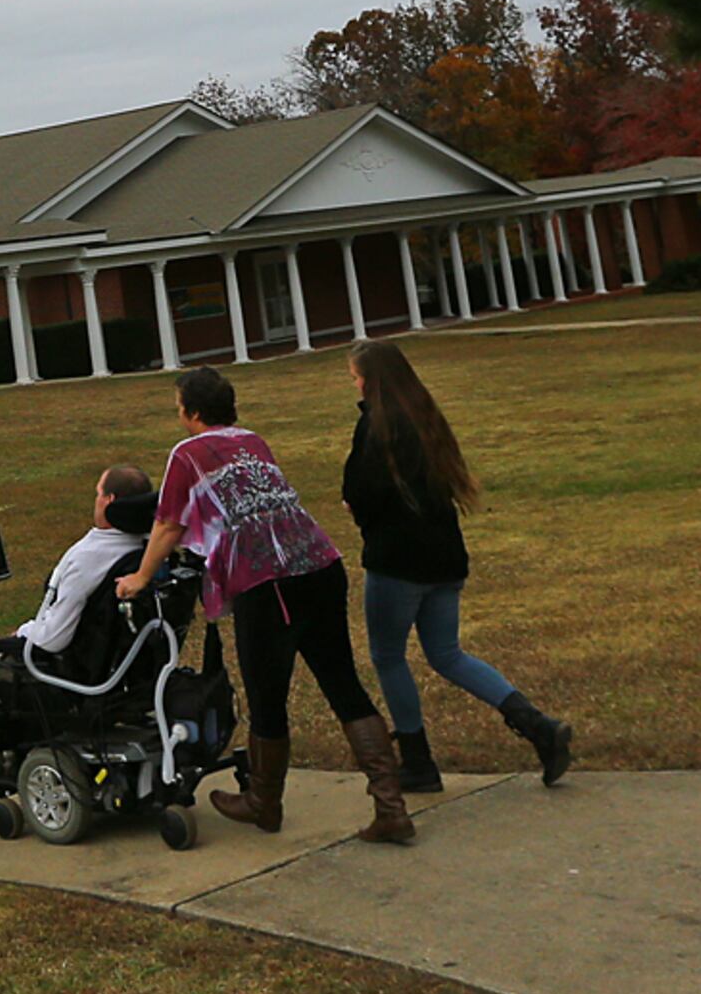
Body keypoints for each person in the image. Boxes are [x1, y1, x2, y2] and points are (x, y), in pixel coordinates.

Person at [114, 365, 417, 846]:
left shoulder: (188, 453)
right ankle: (391, 806)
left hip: (268, 580)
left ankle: (264, 801)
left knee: (266, 695)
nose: (178, 415)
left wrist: (140, 577)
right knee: (343, 684)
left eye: (179, 406)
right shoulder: (253, 441)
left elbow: (169, 523)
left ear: (192, 411)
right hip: (319, 564)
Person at [337, 338, 574, 792]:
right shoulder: (427, 418)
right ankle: (538, 726)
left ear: (372, 380)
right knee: (447, 653)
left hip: (397, 562)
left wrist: (358, 509)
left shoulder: (377, 426)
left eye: (355, 377)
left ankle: (418, 760)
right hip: (445, 558)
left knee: (388, 657)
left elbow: (364, 492)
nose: (357, 385)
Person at [0, 463, 154, 794]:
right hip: (122, 672)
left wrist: (19, 637)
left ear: (110, 500)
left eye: (97, 493)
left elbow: (53, 639)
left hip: (64, 671)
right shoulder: (147, 549)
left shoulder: (90, 558)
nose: (94, 499)